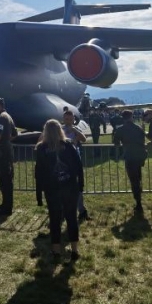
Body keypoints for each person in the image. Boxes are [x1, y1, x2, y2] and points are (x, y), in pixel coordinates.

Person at [35, 119, 83, 262]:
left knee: (55, 219)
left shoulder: (41, 148)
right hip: (70, 187)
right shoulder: (68, 145)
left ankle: (56, 251)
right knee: (71, 218)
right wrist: (80, 185)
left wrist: (39, 194)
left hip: (52, 189)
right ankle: (74, 250)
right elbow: (78, 165)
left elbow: (39, 172)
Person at [112, 111, 147, 214]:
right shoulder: (138, 128)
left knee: (134, 180)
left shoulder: (120, 129)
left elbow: (116, 144)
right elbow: (143, 140)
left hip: (130, 156)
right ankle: (139, 197)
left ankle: (138, 202)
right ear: (132, 117)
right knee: (138, 177)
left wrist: (117, 156)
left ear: (123, 118)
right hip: (140, 156)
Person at [0, 98, 17, 216]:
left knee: (4, 180)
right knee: (6, 179)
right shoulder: (8, 116)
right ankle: (5, 204)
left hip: (3, 153)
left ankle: (7, 208)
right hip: (7, 151)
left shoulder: (1, 117)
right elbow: (15, 134)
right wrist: (6, 141)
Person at [61, 111, 89, 220]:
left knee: (77, 187)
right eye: (66, 119)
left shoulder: (76, 129)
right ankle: (63, 210)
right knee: (63, 187)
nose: (68, 121)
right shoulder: (60, 130)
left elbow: (84, 139)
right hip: (63, 162)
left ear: (73, 119)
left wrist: (75, 131)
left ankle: (81, 210)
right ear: (63, 119)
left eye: (70, 119)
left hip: (75, 161)